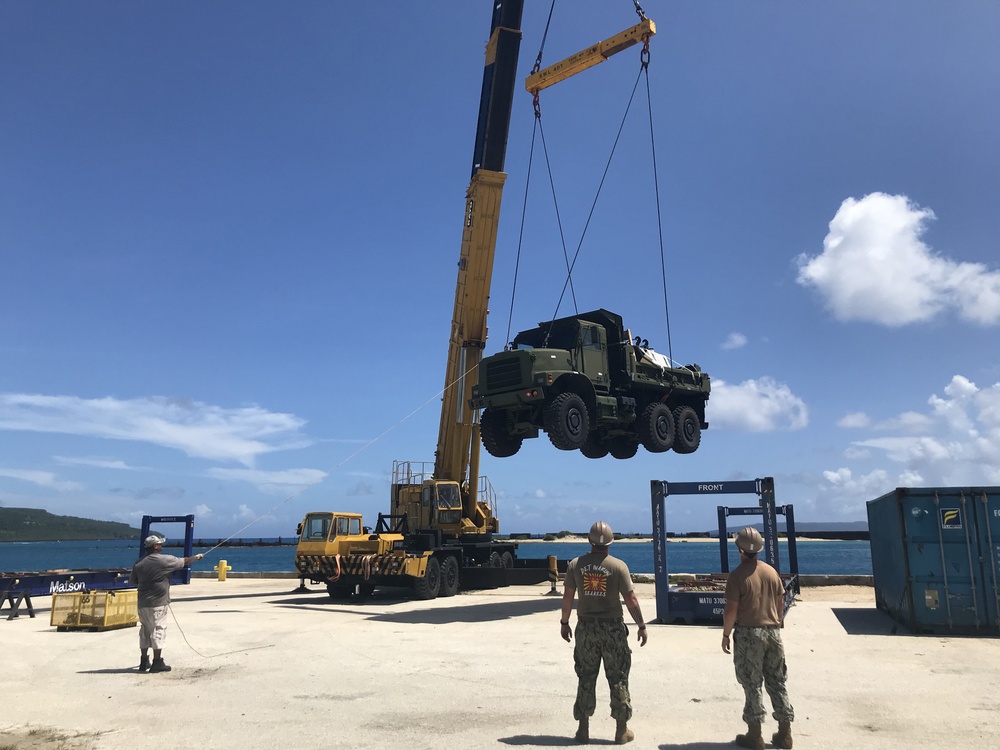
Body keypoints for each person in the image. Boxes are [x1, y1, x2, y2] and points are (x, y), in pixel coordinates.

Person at [561, 521, 647, 745]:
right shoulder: (619, 566)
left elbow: (568, 596)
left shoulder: (575, 565)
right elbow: (631, 600)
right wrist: (641, 625)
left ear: (589, 541)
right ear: (610, 542)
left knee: (586, 677)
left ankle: (583, 729)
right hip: (612, 629)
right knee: (618, 677)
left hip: (586, 627)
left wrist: (564, 622)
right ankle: (621, 730)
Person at [722, 527, 795, 750]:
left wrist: (726, 634)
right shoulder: (772, 572)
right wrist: (776, 622)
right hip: (773, 632)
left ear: (739, 549)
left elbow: (731, 610)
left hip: (749, 633)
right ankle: (785, 733)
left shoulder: (737, 576)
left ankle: (755, 735)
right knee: (777, 680)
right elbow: (781, 602)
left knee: (751, 683)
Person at [130, 534, 204, 673]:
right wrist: (197, 557)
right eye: (159, 544)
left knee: (145, 630)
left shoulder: (139, 563)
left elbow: (133, 581)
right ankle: (157, 662)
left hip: (142, 602)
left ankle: (143, 661)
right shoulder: (164, 560)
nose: (161, 546)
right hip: (158, 602)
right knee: (158, 629)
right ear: (155, 546)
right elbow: (185, 561)